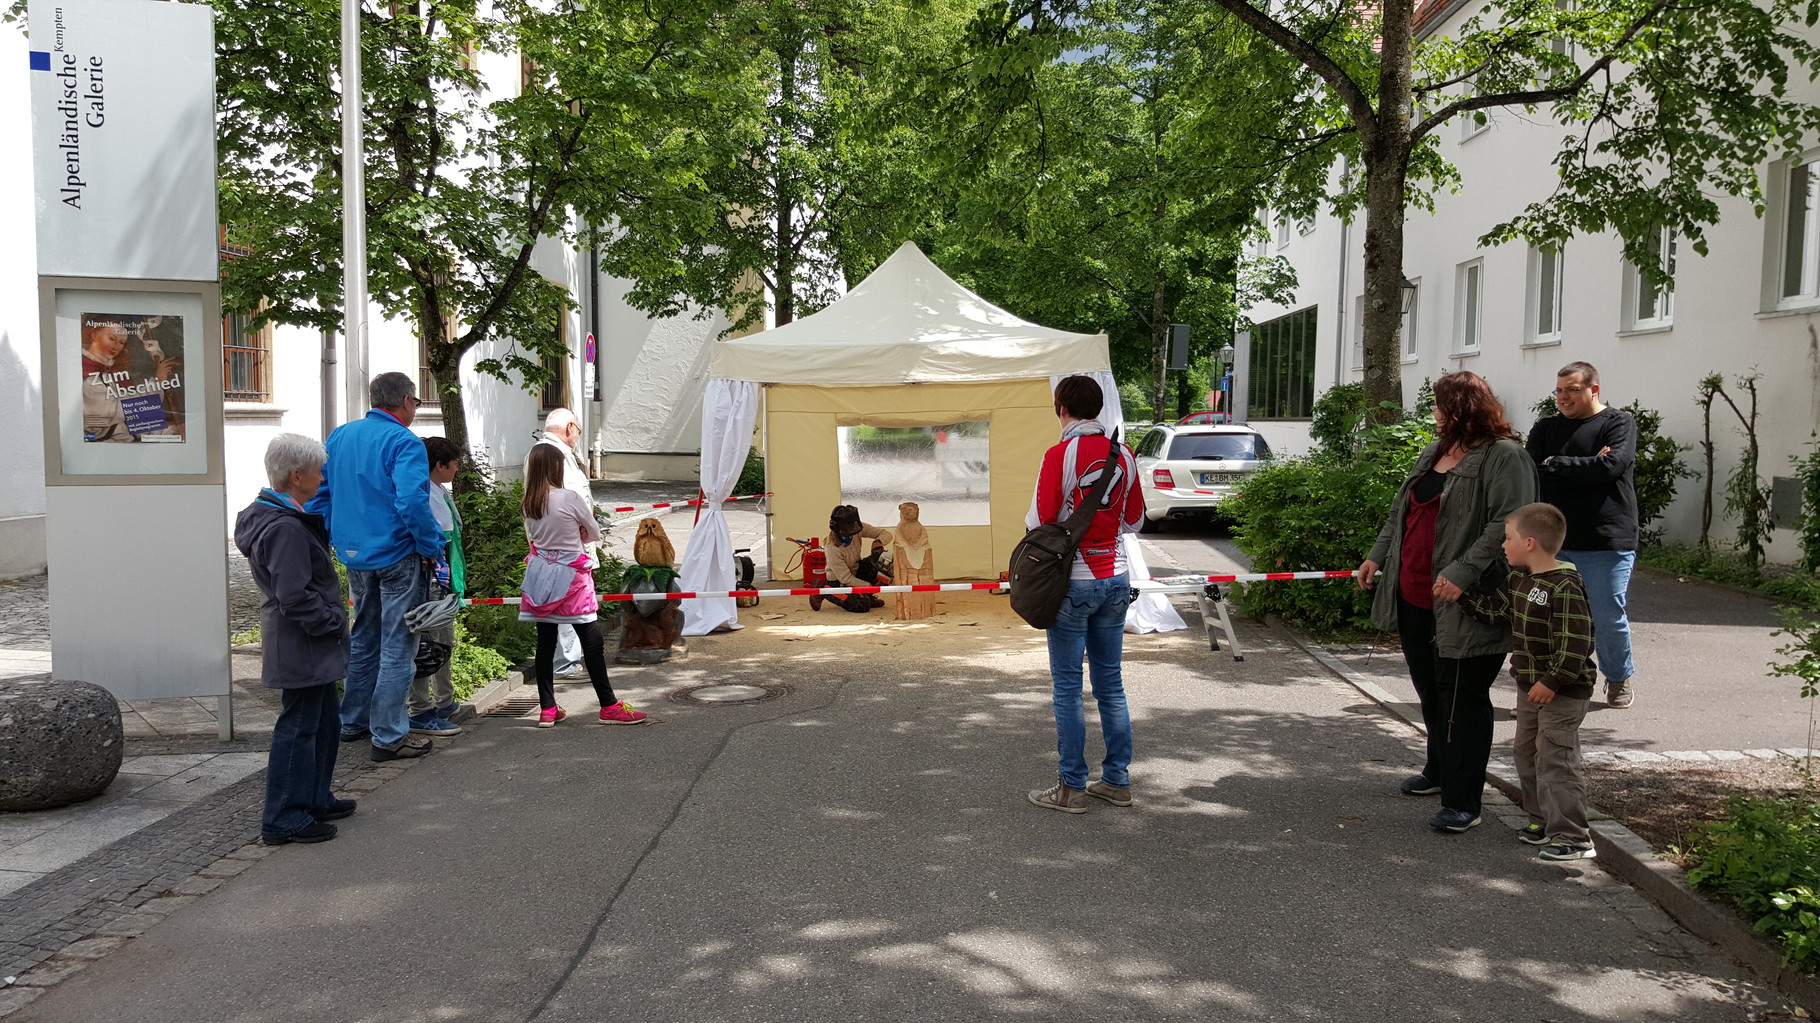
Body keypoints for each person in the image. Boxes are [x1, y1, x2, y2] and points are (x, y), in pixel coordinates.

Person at [1358, 370, 1537, 833]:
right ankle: (1439, 771)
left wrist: (1462, 571)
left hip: (1470, 601)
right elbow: (1402, 511)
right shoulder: (1434, 452)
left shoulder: (1506, 457)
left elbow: (1508, 523)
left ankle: (1465, 801)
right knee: (1431, 692)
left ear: (1461, 409)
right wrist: (1377, 556)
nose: (1433, 414)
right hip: (1416, 595)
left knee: (1463, 698)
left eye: (1439, 406)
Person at [308, 372, 446, 762]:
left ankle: (352, 721)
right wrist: (431, 546)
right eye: (416, 402)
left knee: (364, 638)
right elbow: (412, 503)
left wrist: (337, 536)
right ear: (405, 400)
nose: (415, 409)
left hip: (355, 554)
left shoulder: (340, 436)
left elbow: (323, 494)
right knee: (399, 646)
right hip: (397, 554)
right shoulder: (404, 441)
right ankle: (388, 736)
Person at [1450, 502, 1598, 861]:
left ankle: (1574, 837)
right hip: (1530, 687)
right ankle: (1541, 822)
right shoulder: (1519, 579)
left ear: (1530, 543)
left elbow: (1577, 642)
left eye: (1508, 538)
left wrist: (1553, 681)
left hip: (1561, 691)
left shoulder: (1564, 585)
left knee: (1556, 759)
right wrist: (1462, 598)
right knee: (1526, 753)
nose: (1503, 545)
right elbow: (1496, 612)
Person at [1025, 374, 1145, 814]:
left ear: (1062, 409)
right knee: (1110, 685)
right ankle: (1116, 780)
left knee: (1068, 689)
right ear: (1097, 410)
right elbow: (1134, 522)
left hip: (1072, 580)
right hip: (1116, 577)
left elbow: (1040, 518)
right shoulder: (1125, 454)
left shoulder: (1059, 454)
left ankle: (1071, 787)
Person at [235, 434, 357, 845]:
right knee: (300, 726)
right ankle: (285, 816)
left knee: (324, 720)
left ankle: (314, 797)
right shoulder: (285, 526)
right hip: (302, 640)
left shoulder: (279, 516)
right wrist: (329, 621)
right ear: (297, 475)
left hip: (305, 638)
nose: (323, 479)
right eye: (319, 472)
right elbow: (294, 594)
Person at [1526, 362, 1639, 709]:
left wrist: (1555, 463)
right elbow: (1533, 473)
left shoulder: (1618, 423)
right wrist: (1584, 464)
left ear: (1593, 390)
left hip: (1606, 539)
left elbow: (1611, 468)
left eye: (1572, 390)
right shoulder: (1546, 427)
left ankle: (1618, 678)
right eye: (1559, 391)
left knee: (1606, 615)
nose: (1563, 397)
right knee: (1546, 618)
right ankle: (1549, 681)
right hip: (1554, 541)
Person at [521, 443, 649, 727]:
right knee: (591, 638)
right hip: (572, 574)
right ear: (556, 467)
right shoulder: (569, 498)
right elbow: (593, 532)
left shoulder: (529, 502)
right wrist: (579, 531)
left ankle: (547, 707)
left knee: (545, 640)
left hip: (542, 572)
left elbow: (532, 538)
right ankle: (608, 704)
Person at [523, 408, 596, 678]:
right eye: (577, 428)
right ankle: (567, 663)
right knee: (572, 613)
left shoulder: (552, 452)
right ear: (569, 428)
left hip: (553, 550)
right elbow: (566, 505)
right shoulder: (550, 454)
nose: (578, 434)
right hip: (565, 550)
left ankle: (551, 698)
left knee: (555, 617)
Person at [407, 436, 467, 737]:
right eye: (453, 463)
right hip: (433, 584)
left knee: (444, 643)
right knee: (427, 646)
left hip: (444, 582)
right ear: (439, 465)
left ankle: (445, 701)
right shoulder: (426, 495)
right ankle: (420, 709)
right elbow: (439, 541)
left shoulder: (439, 490)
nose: (457, 468)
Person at [810, 505, 892, 613]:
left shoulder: (857, 528)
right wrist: (870, 587)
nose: (853, 529)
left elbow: (886, 533)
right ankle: (825, 589)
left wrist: (878, 542)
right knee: (862, 606)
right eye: (849, 526)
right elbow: (846, 579)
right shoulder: (832, 548)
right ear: (837, 527)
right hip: (839, 581)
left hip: (855, 570)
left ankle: (866, 594)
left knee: (880, 559)